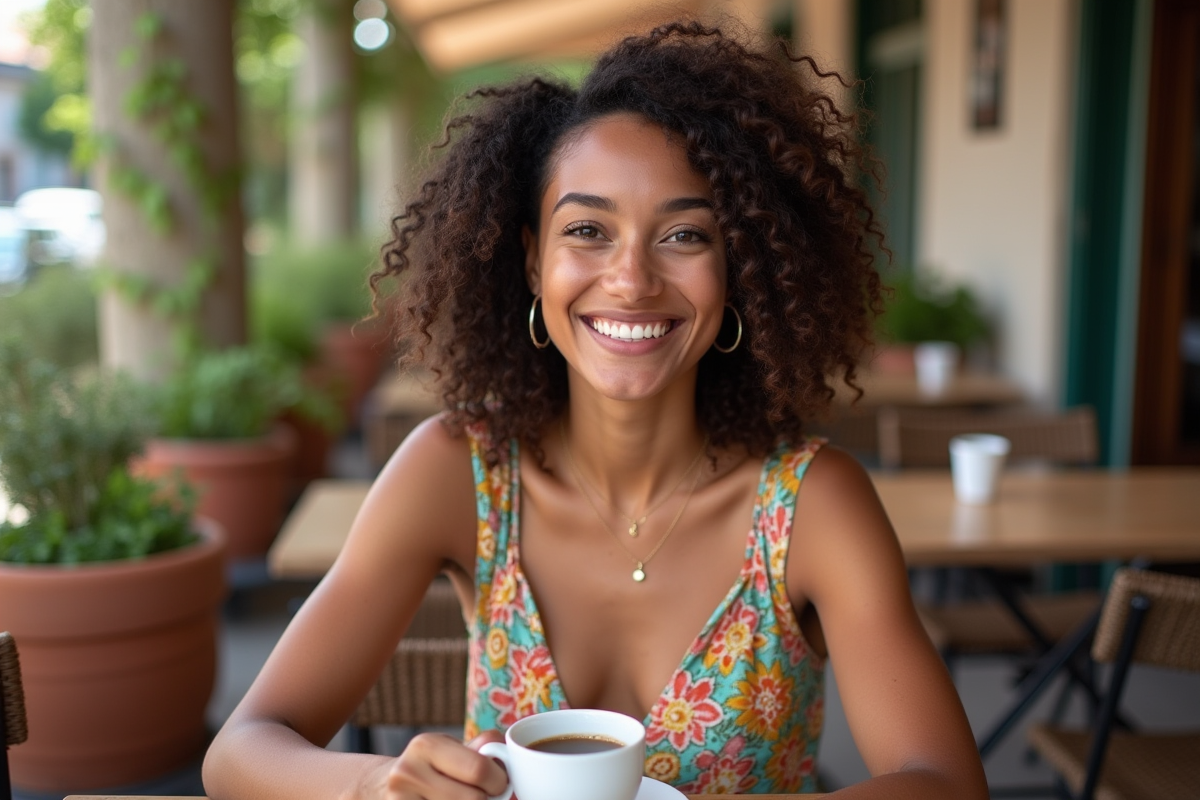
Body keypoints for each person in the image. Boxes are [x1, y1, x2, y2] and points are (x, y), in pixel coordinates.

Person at [203, 21, 988, 799]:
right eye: (587, 231)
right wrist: (374, 783)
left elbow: (946, 781)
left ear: (740, 268)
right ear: (532, 262)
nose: (632, 280)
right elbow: (239, 752)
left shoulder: (813, 505)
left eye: (684, 235)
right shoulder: (457, 473)